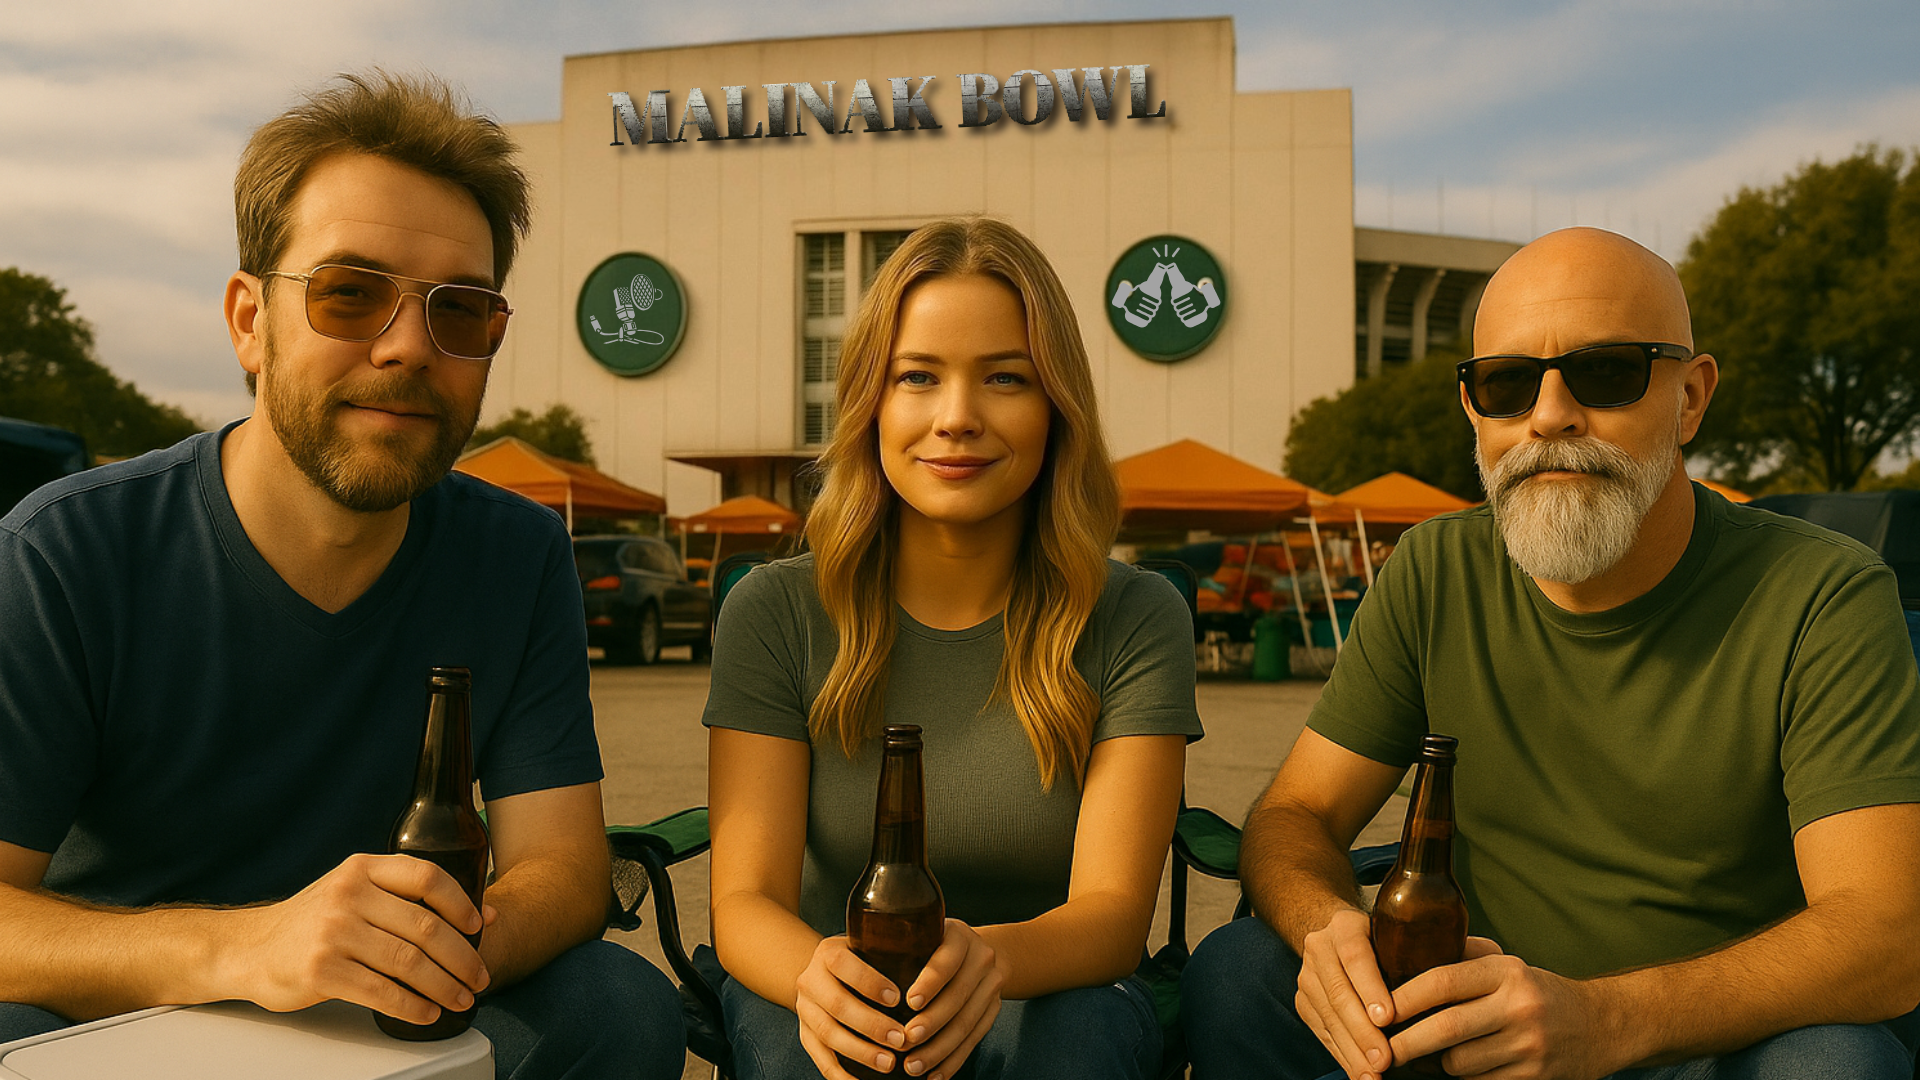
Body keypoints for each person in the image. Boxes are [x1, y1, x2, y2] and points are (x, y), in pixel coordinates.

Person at [0, 71, 686, 1077]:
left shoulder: (515, 553)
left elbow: (567, 871)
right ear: (248, 321)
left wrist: (420, 956)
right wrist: (250, 948)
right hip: (137, 1017)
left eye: (460, 312)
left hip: (392, 1024)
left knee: (616, 1007)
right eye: (350, 294)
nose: (410, 347)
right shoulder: (66, 550)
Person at [1182, 227, 1920, 1080]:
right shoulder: (1435, 568)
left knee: (1836, 1063)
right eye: (1506, 383)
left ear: (1690, 397)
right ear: (1474, 409)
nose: (1549, 414)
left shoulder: (1823, 594)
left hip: (1702, 1043)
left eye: (1607, 372)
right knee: (1239, 973)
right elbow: (1297, 814)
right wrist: (1327, 933)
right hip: (1466, 1022)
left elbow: (1885, 935)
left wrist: (1605, 1021)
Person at [702, 216, 1202, 1080]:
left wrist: (986, 962)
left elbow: (1116, 913)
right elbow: (745, 902)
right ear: (871, 403)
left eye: (1006, 377)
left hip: (1054, 987)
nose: (958, 418)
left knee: (1073, 1043)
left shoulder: (1136, 614)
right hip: (827, 975)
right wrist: (816, 977)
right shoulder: (774, 610)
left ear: (1056, 407)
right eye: (918, 377)